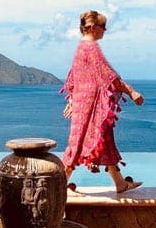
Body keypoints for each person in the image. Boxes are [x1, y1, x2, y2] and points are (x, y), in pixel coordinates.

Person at [61, 10, 144, 193]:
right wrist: (131, 91)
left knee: (104, 141)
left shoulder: (80, 48)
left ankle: (120, 183)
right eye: (103, 27)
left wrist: (73, 100)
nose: (104, 31)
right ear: (92, 27)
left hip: (85, 103)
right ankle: (58, 186)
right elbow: (110, 77)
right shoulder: (92, 48)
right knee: (78, 144)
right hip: (91, 106)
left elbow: (74, 77)